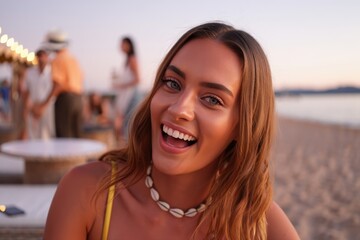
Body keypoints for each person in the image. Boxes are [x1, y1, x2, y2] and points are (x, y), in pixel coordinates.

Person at [44, 22, 300, 239]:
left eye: (212, 99)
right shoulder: (87, 191)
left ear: (242, 126)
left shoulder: (257, 222)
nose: (180, 108)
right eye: (173, 83)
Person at [33, 29, 84, 138]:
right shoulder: (73, 59)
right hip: (78, 99)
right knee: (76, 136)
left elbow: (58, 85)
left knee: (64, 136)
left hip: (65, 100)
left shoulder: (57, 60)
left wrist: (43, 105)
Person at [111, 36, 140, 139]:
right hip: (127, 95)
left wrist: (120, 85)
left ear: (128, 45)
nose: (121, 47)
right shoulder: (127, 60)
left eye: (122, 44)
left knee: (129, 123)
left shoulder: (132, 59)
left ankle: (129, 150)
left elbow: (137, 79)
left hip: (131, 95)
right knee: (125, 123)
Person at [22, 49, 54, 139]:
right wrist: (30, 106)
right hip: (33, 107)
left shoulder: (52, 73)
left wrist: (43, 106)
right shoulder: (30, 73)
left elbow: (53, 92)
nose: (41, 59)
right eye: (39, 56)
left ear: (47, 58)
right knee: (33, 135)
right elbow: (24, 90)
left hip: (47, 108)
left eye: (43, 56)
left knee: (46, 134)